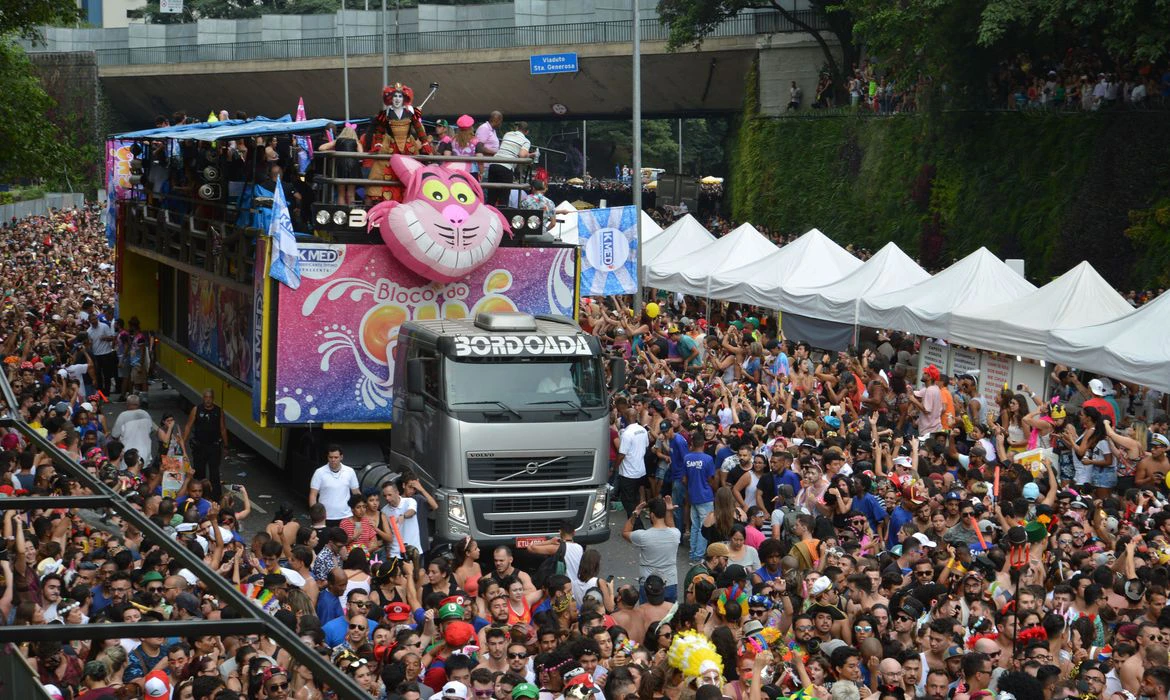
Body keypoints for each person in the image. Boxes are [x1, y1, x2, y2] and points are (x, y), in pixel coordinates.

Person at [622, 496, 680, 603]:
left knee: (647, 616)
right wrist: (669, 511)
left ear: (652, 515)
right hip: (670, 582)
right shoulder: (675, 534)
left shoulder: (643, 536)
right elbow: (672, 526)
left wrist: (635, 514)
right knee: (669, 616)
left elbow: (625, 532)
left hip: (648, 583)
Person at [182, 388, 229, 501]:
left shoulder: (218, 411)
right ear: (203, 398)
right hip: (200, 446)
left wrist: (226, 445)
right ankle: (199, 496)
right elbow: (188, 426)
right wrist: (182, 442)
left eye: (210, 398)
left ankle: (216, 497)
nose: (208, 400)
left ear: (213, 399)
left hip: (214, 446)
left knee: (214, 473)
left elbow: (222, 428)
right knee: (199, 472)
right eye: (206, 397)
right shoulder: (197, 409)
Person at [309, 445, 360, 527]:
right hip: (324, 518)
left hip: (347, 517)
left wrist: (360, 514)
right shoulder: (319, 472)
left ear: (341, 457)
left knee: (349, 539)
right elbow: (313, 495)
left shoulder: (350, 471)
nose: (333, 460)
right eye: (330, 457)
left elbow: (356, 494)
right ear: (327, 457)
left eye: (336, 457)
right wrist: (315, 517)